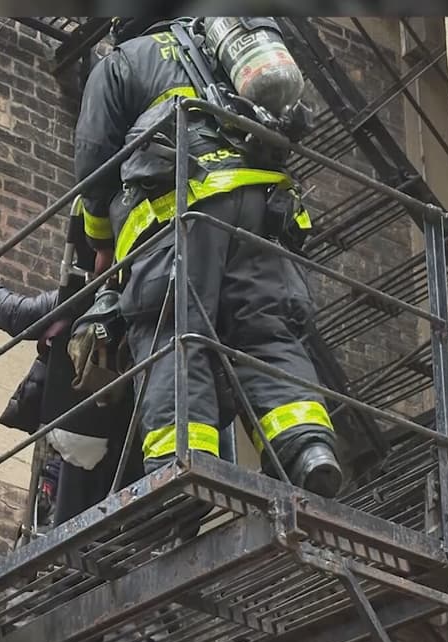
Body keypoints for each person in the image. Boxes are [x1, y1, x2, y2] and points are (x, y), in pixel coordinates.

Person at [72, 16, 344, 499]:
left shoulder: (123, 62)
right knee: (265, 332)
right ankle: (306, 450)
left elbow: (94, 167)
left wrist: (99, 244)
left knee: (175, 332)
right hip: (262, 215)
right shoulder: (222, 51)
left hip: (179, 212)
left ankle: (182, 465)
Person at [0, 209, 144, 527]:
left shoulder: (82, 298)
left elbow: (20, 315)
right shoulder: (147, 300)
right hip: (127, 442)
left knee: (70, 522)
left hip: (79, 432)